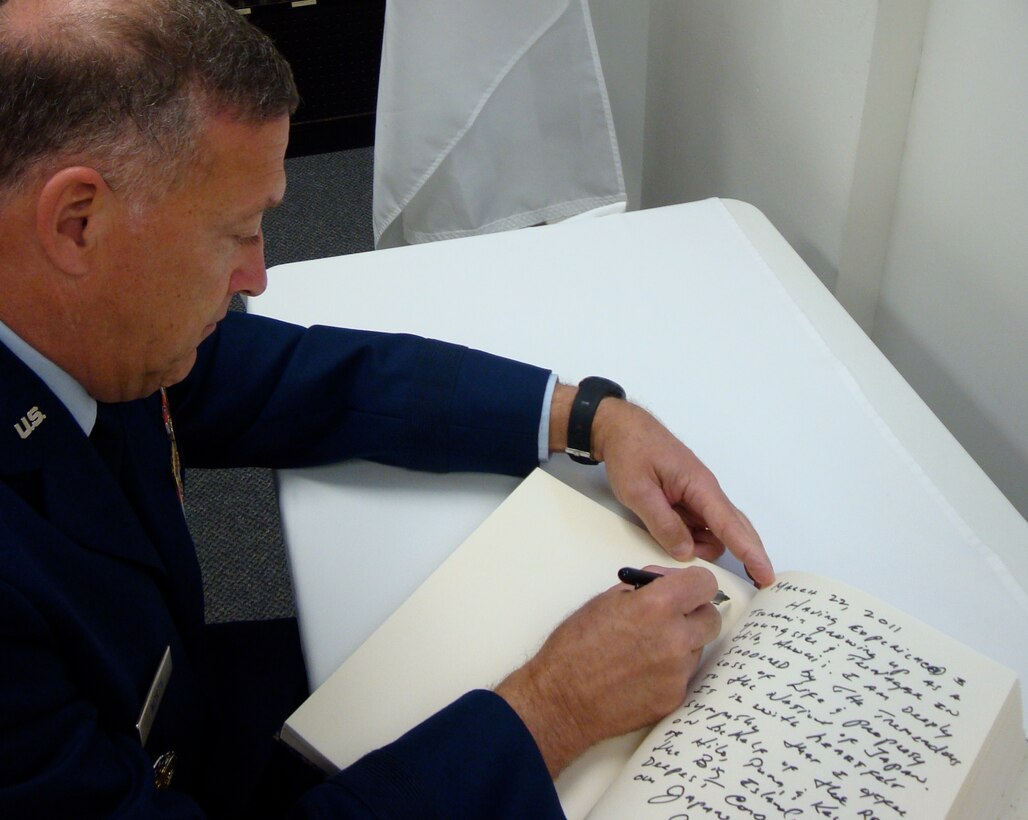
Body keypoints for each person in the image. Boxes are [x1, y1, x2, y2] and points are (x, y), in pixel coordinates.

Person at [0, 0, 774, 816]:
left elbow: (291, 379)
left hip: (168, 698)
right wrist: (554, 712)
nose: (258, 278)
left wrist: (587, 417)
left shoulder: (70, 307)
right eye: (236, 232)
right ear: (77, 223)